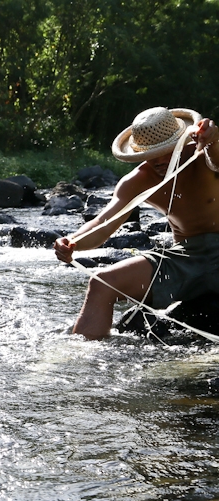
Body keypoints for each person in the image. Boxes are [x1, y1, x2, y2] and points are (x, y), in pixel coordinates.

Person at [54, 107, 219, 340]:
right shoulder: (137, 181)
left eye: (166, 151)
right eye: (152, 153)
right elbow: (103, 222)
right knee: (101, 284)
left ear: (181, 141)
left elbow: (216, 161)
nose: (160, 160)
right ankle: (81, 363)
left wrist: (213, 140)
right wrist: (73, 242)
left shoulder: (206, 155)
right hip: (186, 258)